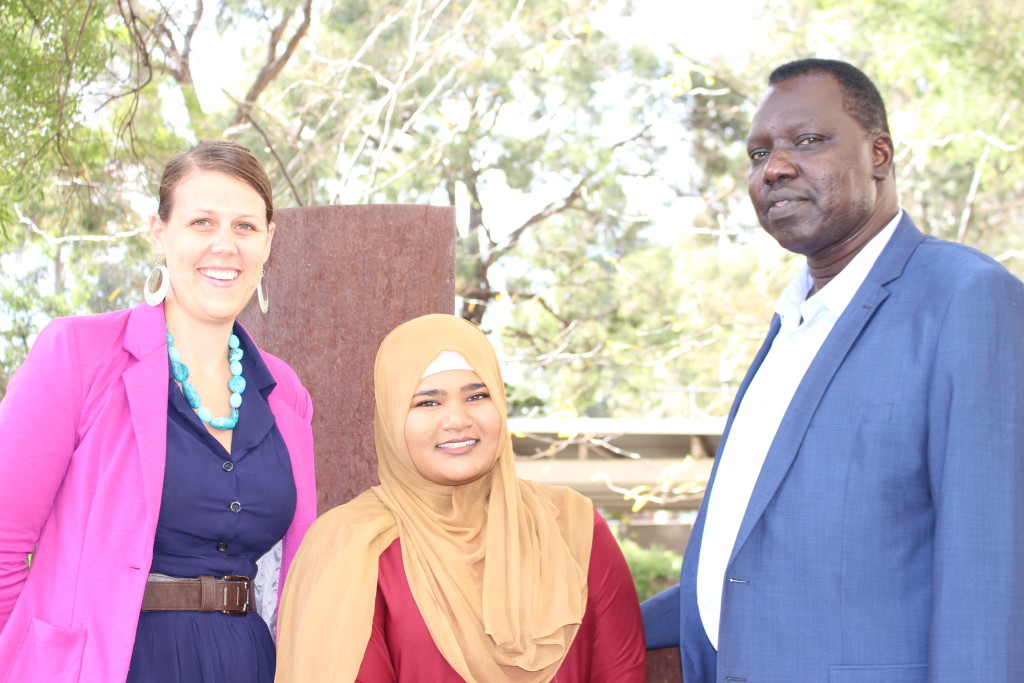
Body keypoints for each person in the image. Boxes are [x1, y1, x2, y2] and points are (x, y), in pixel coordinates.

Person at [641, 58, 1024, 681]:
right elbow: (742, 559)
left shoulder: (966, 298)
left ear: (880, 154)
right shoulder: (791, 325)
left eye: (808, 141)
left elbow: (989, 574)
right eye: (758, 153)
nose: (776, 167)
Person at [0, 140, 318, 682]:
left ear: (269, 240)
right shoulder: (78, 354)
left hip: (249, 665)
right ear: (160, 232)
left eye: (244, 227)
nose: (225, 245)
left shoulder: (285, 393)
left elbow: (300, 573)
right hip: (109, 667)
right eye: (201, 222)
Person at [275, 313, 646, 682]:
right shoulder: (351, 543)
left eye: (477, 395)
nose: (457, 418)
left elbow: (622, 672)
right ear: (390, 421)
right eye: (427, 403)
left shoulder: (572, 525)